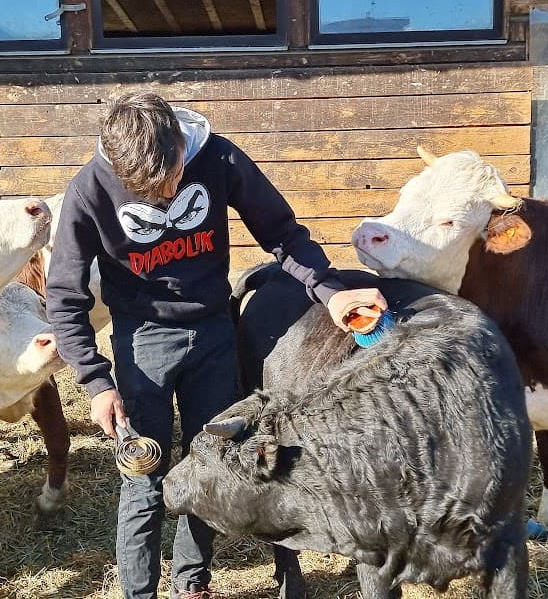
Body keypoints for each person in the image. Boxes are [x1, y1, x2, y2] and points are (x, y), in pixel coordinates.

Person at [45, 91, 386, 599]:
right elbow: (64, 293)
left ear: (181, 145)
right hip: (143, 341)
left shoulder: (219, 157)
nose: (169, 192)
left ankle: (192, 584)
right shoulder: (89, 189)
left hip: (213, 331)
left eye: (174, 176)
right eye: (152, 189)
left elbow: (283, 233)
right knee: (143, 471)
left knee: (211, 460)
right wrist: (96, 381)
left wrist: (330, 293)